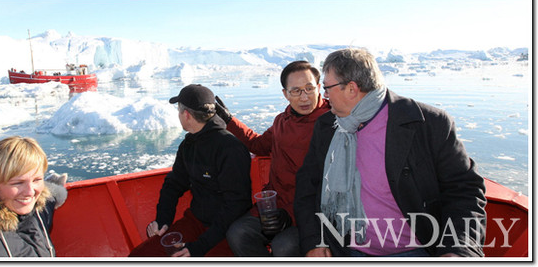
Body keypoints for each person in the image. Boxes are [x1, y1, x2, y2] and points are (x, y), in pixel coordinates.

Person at [294, 48, 486, 257]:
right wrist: (314, 241)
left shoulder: (428, 123)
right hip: (345, 250)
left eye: (328, 87)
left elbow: (464, 191)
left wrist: (457, 250)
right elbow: (308, 187)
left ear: (351, 89)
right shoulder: (327, 127)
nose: (324, 95)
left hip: (416, 251)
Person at [216, 61, 330, 256]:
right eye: (296, 91)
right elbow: (258, 146)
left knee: (283, 246)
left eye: (309, 89)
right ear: (285, 94)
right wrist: (228, 120)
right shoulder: (281, 121)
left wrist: (290, 217)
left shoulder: (331, 123)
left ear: (319, 88)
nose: (304, 97)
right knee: (238, 233)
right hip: (277, 206)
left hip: (312, 213)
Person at [128, 84, 252, 257]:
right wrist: (163, 220)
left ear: (186, 115)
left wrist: (199, 247)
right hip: (196, 221)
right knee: (140, 256)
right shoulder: (188, 145)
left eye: (179, 110)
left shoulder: (229, 148)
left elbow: (236, 206)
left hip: (227, 230)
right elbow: (173, 184)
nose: (178, 115)